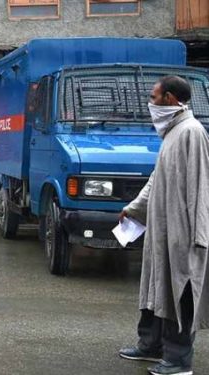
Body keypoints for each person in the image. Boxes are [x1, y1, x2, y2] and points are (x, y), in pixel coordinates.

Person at [118, 76, 209, 375]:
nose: (150, 102)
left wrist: (197, 237)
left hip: (181, 233)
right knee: (156, 286)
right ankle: (151, 345)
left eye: (154, 97)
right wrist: (134, 210)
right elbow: (156, 179)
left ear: (169, 98)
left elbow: (200, 187)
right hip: (162, 228)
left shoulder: (191, 133)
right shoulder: (172, 131)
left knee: (179, 289)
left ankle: (179, 360)